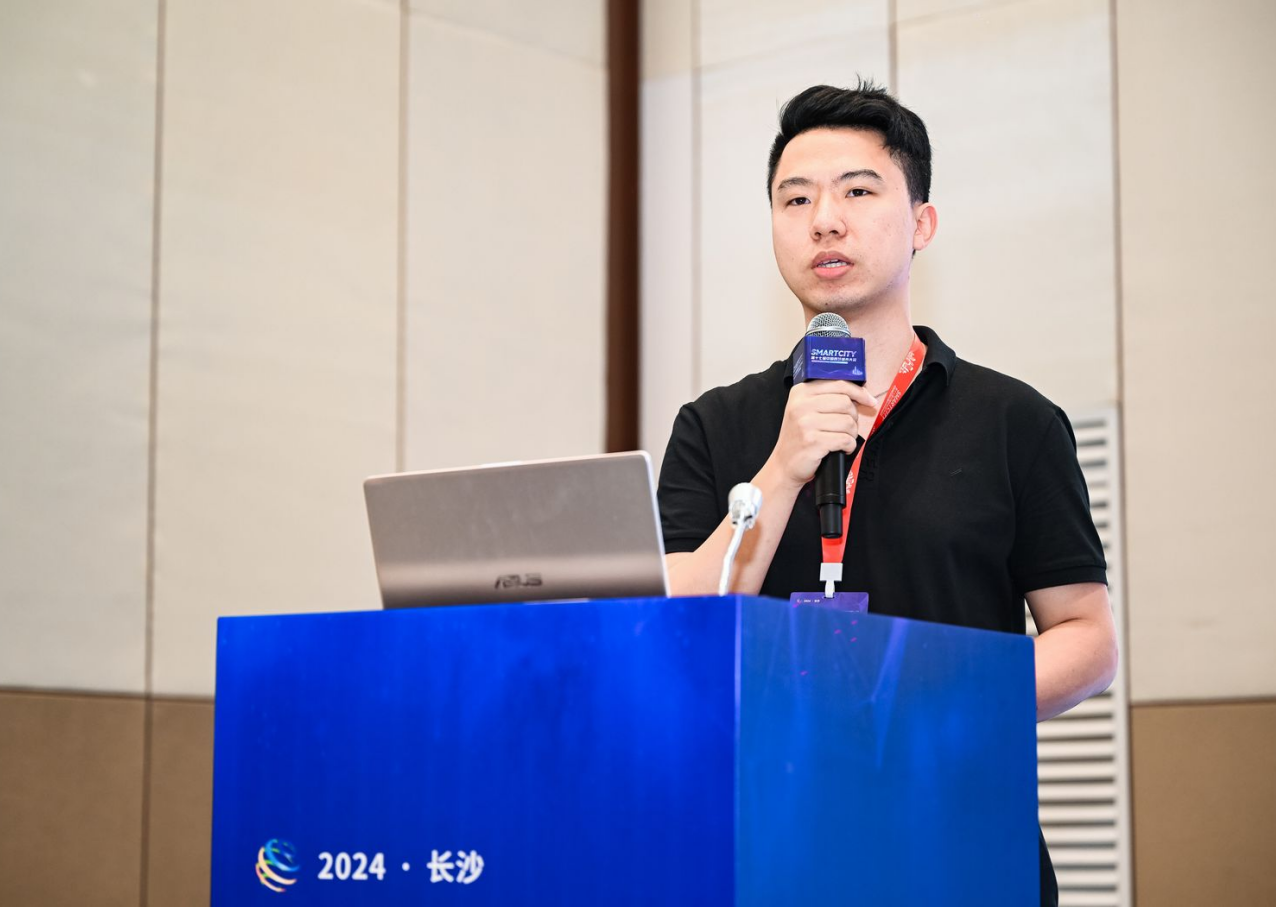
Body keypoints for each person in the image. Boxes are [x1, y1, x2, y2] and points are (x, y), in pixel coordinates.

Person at [656, 81, 1119, 907]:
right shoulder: (713, 425)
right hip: (765, 840)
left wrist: (936, 698)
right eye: (794, 198)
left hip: (958, 832)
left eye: (858, 192)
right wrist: (782, 470)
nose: (823, 221)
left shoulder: (1010, 420)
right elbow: (675, 624)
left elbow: (1087, 639)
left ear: (921, 223)